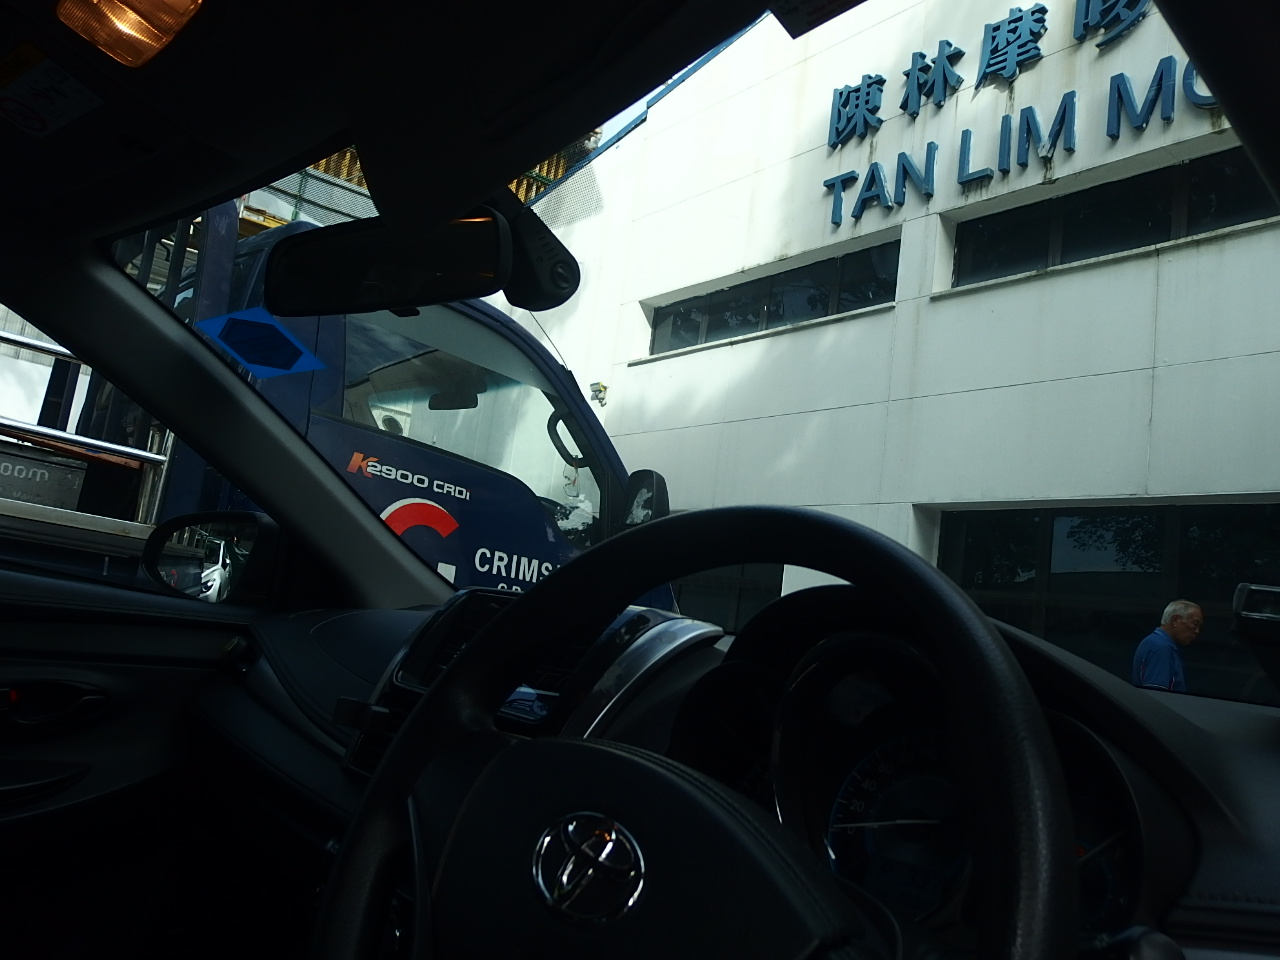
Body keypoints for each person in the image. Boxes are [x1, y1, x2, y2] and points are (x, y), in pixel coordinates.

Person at [1132, 600, 1203, 692]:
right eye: (1195, 624)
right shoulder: (1160, 647)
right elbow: (1157, 694)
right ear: (1175, 620)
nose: (1197, 631)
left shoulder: (1156, 642)